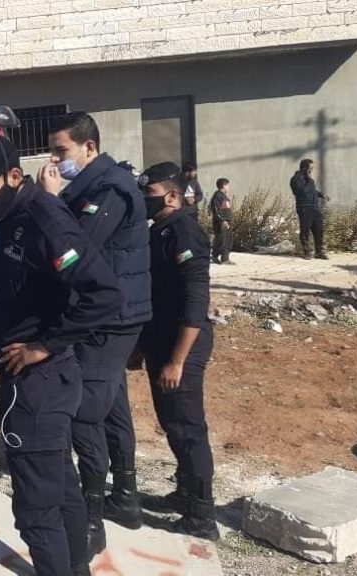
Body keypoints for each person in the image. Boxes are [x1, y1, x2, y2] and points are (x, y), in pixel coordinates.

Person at [0, 135, 124, 576]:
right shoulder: (13, 216)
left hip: (39, 382)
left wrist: (44, 346)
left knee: (36, 509)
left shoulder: (44, 220)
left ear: (14, 176)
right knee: (61, 484)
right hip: (32, 378)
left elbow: (104, 294)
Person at [38, 112, 152, 555]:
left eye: (61, 151)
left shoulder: (110, 189)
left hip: (108, 319)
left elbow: (76, 250)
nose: (55, 160)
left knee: (85, 413)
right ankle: (125, 498)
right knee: (112, 407)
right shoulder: (91, 185)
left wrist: (50, 202)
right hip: (109, 314)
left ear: (89, 147)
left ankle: (90, 518)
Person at [136, 162, 220, 541]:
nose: (145, 201)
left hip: (181, 346)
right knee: (172, 424)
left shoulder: (186, 232)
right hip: (161, 342)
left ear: (171, 196)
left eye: (150, 195)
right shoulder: (161, 230)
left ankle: (202, 517)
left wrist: (177, 360)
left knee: (188, 430)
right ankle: (185, 493)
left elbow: (195, 302)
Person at [290, 159, 329, 260]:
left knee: (319, 229)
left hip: (314, 207)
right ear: (304, 168)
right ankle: (307, 252)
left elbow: (313, 191)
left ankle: (319, 252)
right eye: (310, 168)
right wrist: (308, 179)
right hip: (304, 208)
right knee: (305, 230)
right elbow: (302, 191)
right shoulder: (295, 179)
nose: (311, 170)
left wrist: (322, 195)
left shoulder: (310, 180)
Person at [209, 178, 234, 265]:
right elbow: (216, 210)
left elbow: (226, 209)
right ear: (223, 185)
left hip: (226, 222)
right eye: (227, 185)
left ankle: (217, 257)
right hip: (221, 223)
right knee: (223, 241)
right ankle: (223, 259)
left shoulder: (223, 196)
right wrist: (222, 220)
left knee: (226, 240)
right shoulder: (217, 196)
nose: (228, 187)